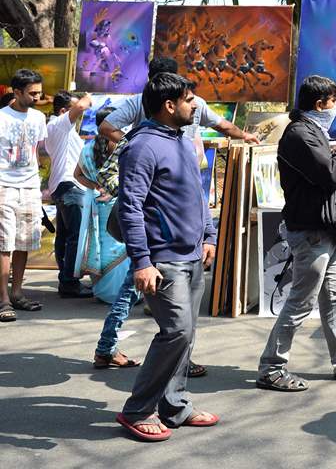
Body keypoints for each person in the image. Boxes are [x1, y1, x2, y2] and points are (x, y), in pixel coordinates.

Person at [257, 75, 336, 391]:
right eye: (334, 101)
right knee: (301, 302)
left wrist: (335, 149)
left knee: (333, 300)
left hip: (330, 230)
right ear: (320, 103)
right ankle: (271, 367)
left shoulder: (315, 132)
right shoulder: (301, 134)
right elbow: (332, 173)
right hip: (313, 232)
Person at [115, 73, 219, 441]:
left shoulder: (183, 140)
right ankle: (137, 410)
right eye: (190, 99)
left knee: (186, 335)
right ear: (169, 105)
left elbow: (199, 192)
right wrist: (142, 261)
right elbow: (130, 207)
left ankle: (174, 406)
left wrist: (209, 234)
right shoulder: (142, 146)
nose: (196, 105)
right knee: (176, 331)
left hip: (192, 254)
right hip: (163, 259)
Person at [99, 57, 258, 146]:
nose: (193, 105)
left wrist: (133, 145)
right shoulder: (138, 102)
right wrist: (136, 146)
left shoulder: (138, 101)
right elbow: (222, 125)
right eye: (188, 101)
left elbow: (107, 128)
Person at [0, 69, 48, 321]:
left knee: (24, 241)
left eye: (39, 92)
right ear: (16, 92)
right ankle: (3, 299)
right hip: (4, 185)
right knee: (4, 243)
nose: (37, 97)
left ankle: (17, 293)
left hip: (30, 186)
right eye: (32, 93)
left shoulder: (39, 117)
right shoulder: (2, 118)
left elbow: (37, 151)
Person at [74, 106, 128, 305]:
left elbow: (76, 175)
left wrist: (95, 186)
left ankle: (103, 291)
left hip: (96, 206)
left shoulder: (87, 149)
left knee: (100, 246)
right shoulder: (122, 146)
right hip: (117, 204)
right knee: (121, 245)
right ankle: (122, 293)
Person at [45, 91, 94, 298]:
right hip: (69, 185)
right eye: (73, 110)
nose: (79, 115)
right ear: (64, 111)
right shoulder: (59, 125)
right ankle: (69, 282)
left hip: (65, 186)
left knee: (65, 236)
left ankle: (66, 278)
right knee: (75, 237)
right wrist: (88, 96)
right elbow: (81, 106)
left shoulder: (61, 129)